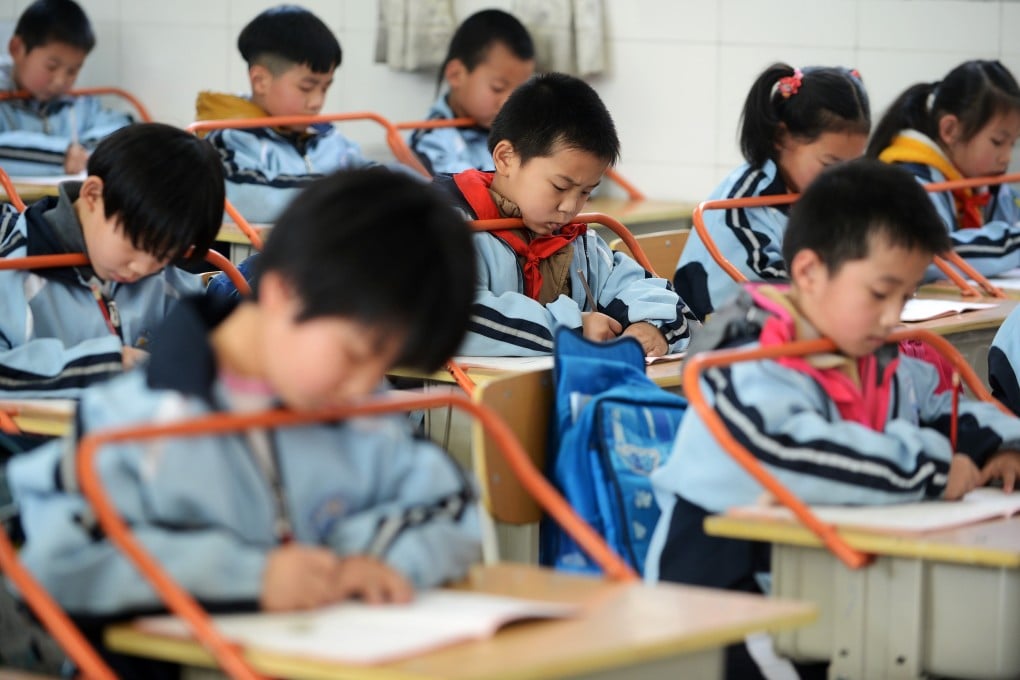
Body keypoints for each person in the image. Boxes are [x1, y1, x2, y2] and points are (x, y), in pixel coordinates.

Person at [7, 168, 481, 673]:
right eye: (353, 353)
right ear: (283, 293)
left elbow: (447, 503)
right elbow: (58, 559)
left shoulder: (361, 415)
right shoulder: (137, 419)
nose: (364, 383)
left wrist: (373, 558)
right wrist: (252, 577)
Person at [647, 159, 1020, 678]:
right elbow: (792, 452)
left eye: (906, 297)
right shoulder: (744, 356)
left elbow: (949, 411)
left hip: (819, 586)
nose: (894, 317)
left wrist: (1000, 448)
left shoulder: (879, 354)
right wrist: (934, 472)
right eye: (878, 293)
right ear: (808, 272)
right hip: (720, 597)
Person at [434, 72, 699, 357]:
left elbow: (668, 303)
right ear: (505, 158)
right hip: (450, 397)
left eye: (586, 192)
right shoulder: (444, 225)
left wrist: (651, 327)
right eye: (560, 186)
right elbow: (448, 318)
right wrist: (570, 331)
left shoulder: (580, 244)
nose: (570, 207)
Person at [0, 122, 224, 401]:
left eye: (165, 256)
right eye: (137, 246)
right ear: (93, 195)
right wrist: (108, 365)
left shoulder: (166, 282)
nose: (143, 268)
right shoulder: (13, 271)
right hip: (31, 439)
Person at [675, 63, 869, 319]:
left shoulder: (821, 194)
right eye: (831, 164)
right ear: (781, 137)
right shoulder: (739, 208)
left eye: (853, 165)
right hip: (730, 343)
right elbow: (776, 298)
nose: (844, 180)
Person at [195, 4, 374, 223]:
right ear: (261, 81)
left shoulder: (327, 137)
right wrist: (350, 195)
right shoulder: (226, 139)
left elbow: (370, 172)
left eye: (325, 88)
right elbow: (249, 199)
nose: (317, 102)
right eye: (306, 88)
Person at [867, 59, 1020, 278]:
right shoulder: (908, 181)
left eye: (1013, 143)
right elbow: (930, 254)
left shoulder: (985, 185)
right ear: (950, 130)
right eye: (997, 142)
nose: (1006, 158)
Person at [0, 0, 133, 176]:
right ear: (16, 49)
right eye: (51, 67)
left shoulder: (80, 104)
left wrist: (82, 152)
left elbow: (122, 130)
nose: (60, 81)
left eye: (72, 70)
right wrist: (60, 156)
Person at [410, 9, 535, 175]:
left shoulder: (516, 132)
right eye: (497, 87)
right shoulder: (431, 143)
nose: (509, 102)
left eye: (520, 91)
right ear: (456, 75)